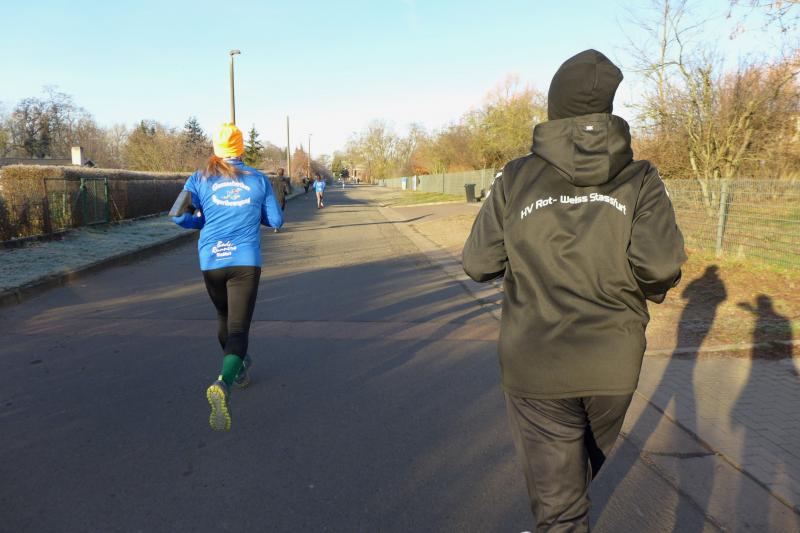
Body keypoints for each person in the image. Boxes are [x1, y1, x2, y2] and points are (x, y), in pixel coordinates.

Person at [462, 49, 686, 531]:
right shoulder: (642, 179)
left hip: (536, 361)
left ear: (554, 106)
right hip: (612, 363)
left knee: (561, 505)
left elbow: (478, 263)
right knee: (571, 486)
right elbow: (660, 266)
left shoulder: (515, 177)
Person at [172, 122, 283, 432]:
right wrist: (257, 214)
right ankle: (225, 381)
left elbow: (177, 214)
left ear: (216, 149)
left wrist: (201, 221)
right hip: (245, 261)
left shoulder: (199, 178)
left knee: (223, 316)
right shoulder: (258, 179)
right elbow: (276, 220)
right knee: (238, 328)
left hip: (211, 260)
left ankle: (240, 366)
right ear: (241, 149)